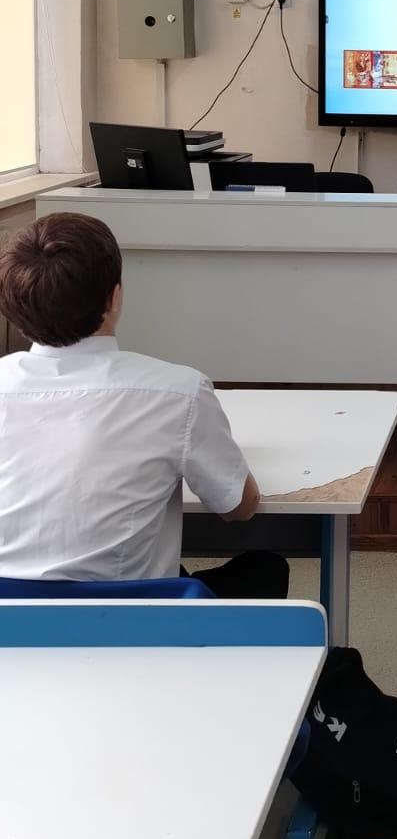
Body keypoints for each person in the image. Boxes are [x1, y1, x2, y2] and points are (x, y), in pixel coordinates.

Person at [0, 211, 287, 598]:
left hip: (11, 619)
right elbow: (239, 506)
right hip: (131, 619)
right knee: (265, 568)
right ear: (114, 296)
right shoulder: (179, 392)